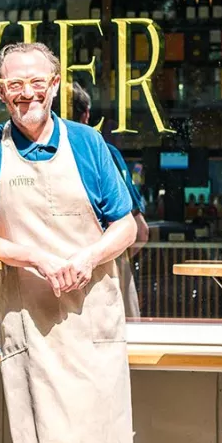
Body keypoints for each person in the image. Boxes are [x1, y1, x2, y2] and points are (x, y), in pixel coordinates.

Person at [0, 42, 143, 443]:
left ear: (55, 85)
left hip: (91, 320)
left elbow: (125, 226)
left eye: (37, 82)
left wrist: (87, 257)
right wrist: (36, 257)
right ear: (1, 92)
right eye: (15, 85)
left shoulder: (87, 143)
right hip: (32, 324)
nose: (27, 94)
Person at [66, 80, 149, 319]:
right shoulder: (104, 153)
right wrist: (105, 258)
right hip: (109, 277)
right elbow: (140, 232)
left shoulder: (19, 152)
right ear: (87, 115)